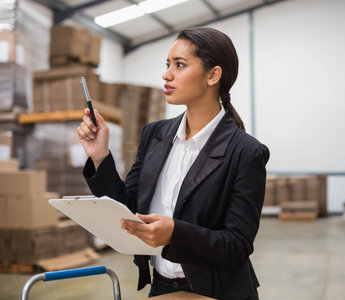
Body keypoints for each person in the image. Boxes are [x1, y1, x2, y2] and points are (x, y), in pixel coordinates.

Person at [77, 27, 269, 300]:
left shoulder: (246, 152)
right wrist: (100, 156)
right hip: (162, 287)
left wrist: (175, 234)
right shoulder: (155, 135)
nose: (166, 74)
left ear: (213, 75)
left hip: (217, 291)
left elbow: (237, 245)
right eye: (168, 65)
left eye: (180, 65)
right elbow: (129, 209)